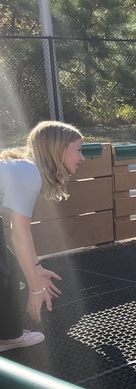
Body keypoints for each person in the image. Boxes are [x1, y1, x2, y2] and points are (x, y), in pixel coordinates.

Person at [0, 122, 85, 351]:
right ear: (58, 150)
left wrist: (35, 270)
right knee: (4, 271)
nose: (82, 157)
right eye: (78, 149)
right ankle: (8, 336)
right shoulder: (28, 173)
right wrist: (36, 288)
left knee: (7, 268)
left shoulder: (24, 170)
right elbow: (20, 234)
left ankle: (7, 334)